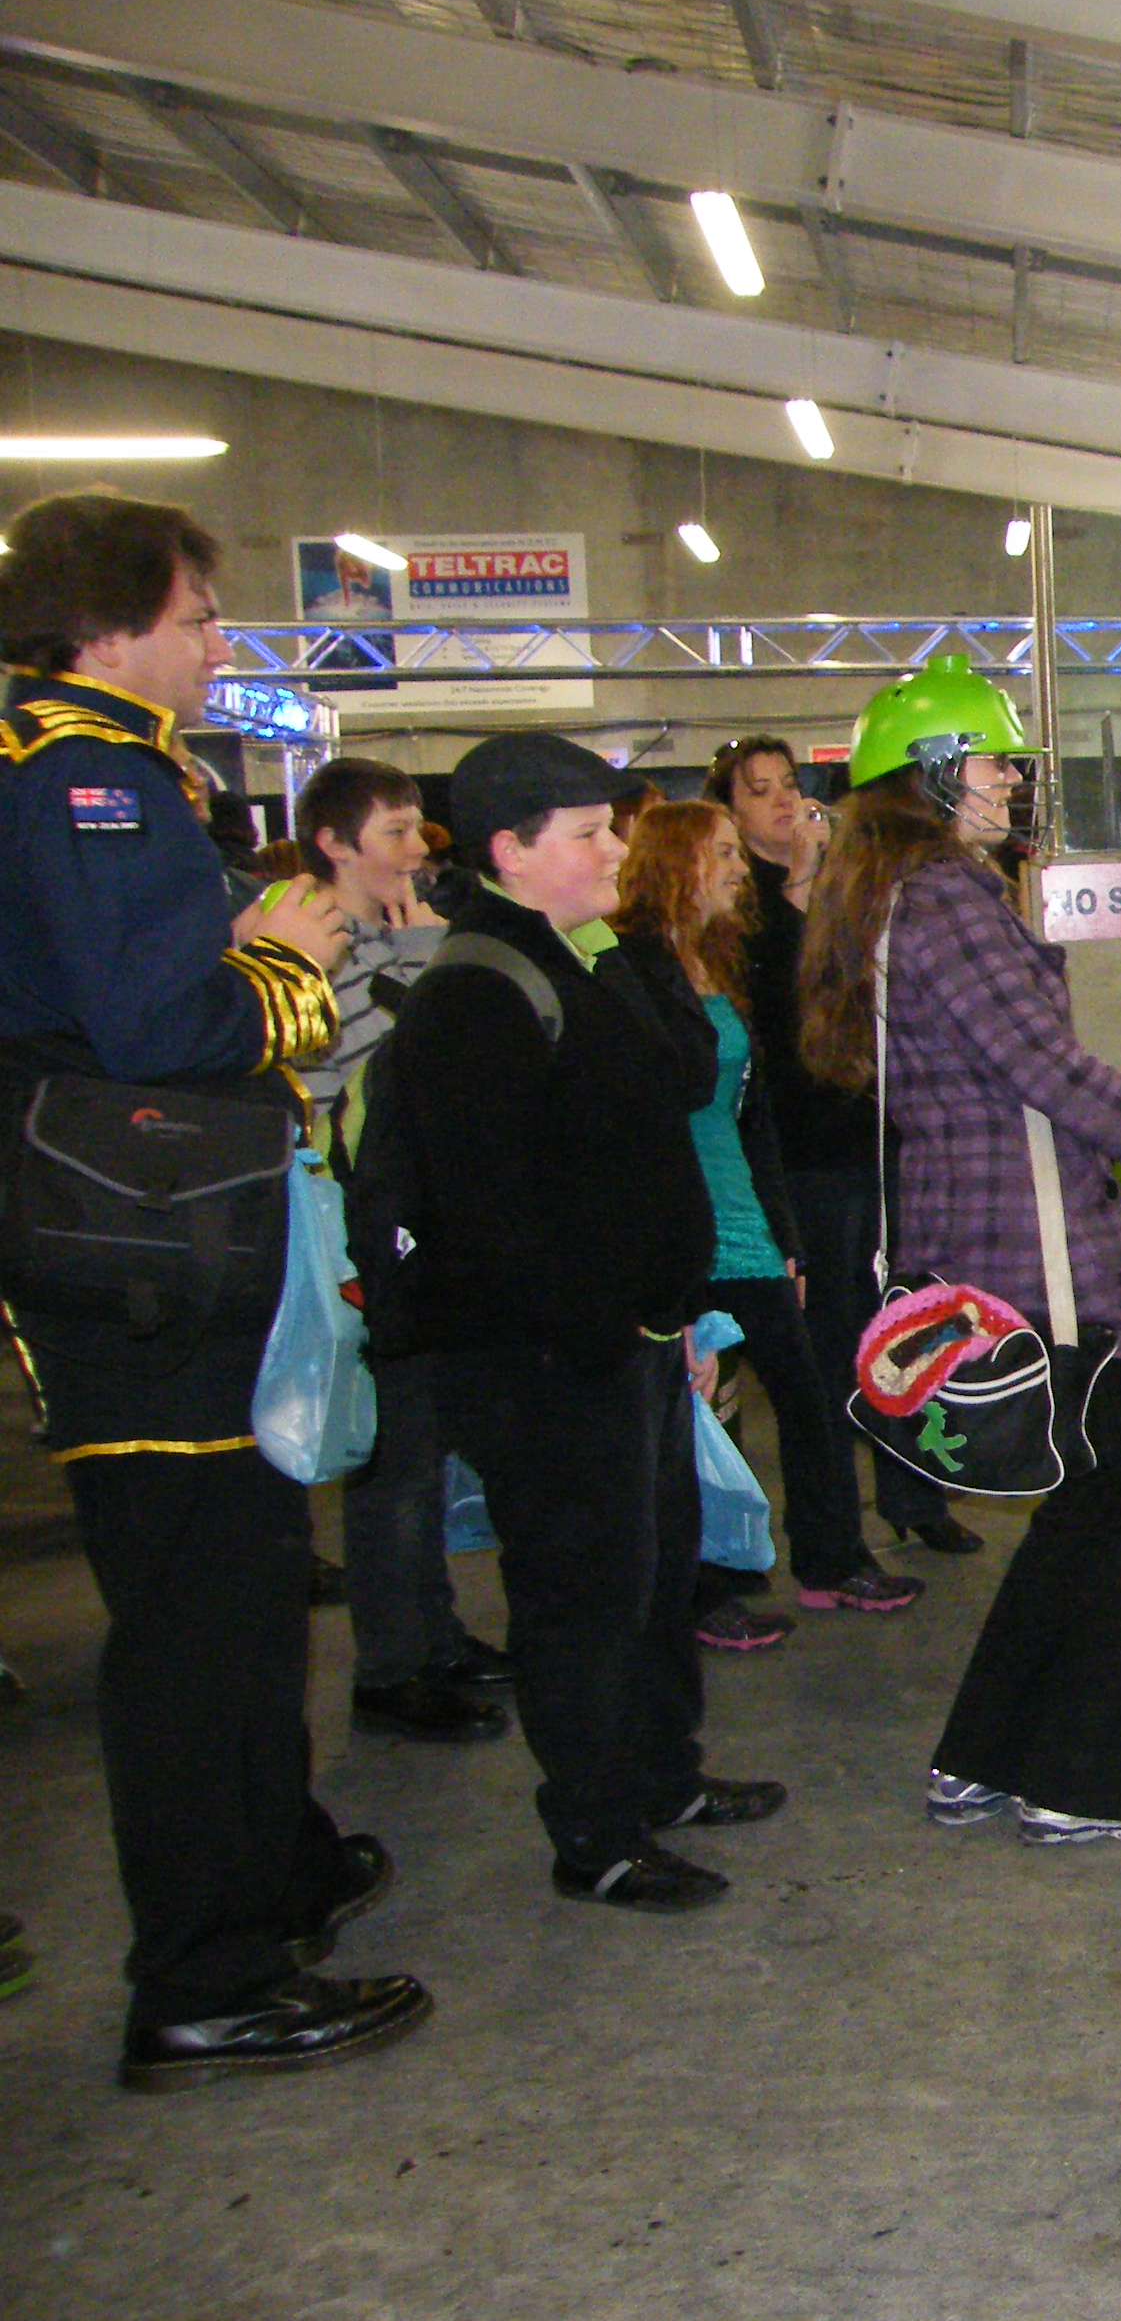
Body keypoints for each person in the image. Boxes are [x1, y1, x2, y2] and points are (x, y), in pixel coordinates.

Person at [0, 490, 428, 2088]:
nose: (215, 642)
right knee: (199, 1622)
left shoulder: (100, 767)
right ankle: (207, 1975)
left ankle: (272, 1876)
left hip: (146, 1239)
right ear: (107, 625)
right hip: (141, 1248)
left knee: (239, 1589)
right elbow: (158, 1028)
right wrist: (288, 964)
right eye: (195, 615)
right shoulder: (89, 775)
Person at [797, 656, 1121, 1844]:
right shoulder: (945, 897)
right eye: (996, 764)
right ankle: (1091, 1782)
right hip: (1034, 1246)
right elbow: (1047, 1072)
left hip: (983, 1232)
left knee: (1093, 1503)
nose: (1013, 783)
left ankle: (985, 1759)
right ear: (933, 774)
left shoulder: (904, 895)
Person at [374, 731, 783, 1913]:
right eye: (591, 834)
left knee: (650, 1580)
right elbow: (491, 1208)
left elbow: (667, 1095)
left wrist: (672, 1318)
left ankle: (661, 1777)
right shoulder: (477, 988)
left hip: (628, 1340)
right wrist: (601, 1333)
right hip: (549, 1362)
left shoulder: (580, 955)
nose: (617, 851)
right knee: (580, 1600)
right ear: (510, 850)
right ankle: (596, 1833)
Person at [615, 798, 922, 1631]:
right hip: (679, 1224)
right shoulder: (629, 971)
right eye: (718, 853)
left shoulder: (723, 961)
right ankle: (704, 1588)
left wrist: (784, 1235)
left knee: (811, 1397)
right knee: (698, 1414)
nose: (734, 869)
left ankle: (830, 1559)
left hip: (744, 1216)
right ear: (674, 865)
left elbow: (756, 1116)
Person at [280, 754, 512, 1743]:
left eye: (419, 827)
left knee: (423, 1444)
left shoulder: (402, 930)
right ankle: (392, 1667)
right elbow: (388, 1058)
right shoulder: (302, 940)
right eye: (394, 832)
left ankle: (435, 1634)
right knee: (393, 1458)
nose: (418, 849)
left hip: (414, 1217)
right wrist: (423, 955)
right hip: (352, 1229)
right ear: (334, 843)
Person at [707, 733, 979, 1560]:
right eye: (759, 790)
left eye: (788, 783)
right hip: (801, 1152)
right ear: (731, 810)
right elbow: (779, 1011)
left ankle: (915, 1492)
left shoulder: (848, 881)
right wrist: (797, 882)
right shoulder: (739, 901)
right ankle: (834, 1529)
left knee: (906, 1319)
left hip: (877, 1132)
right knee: (829, 1341)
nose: (781, 802)